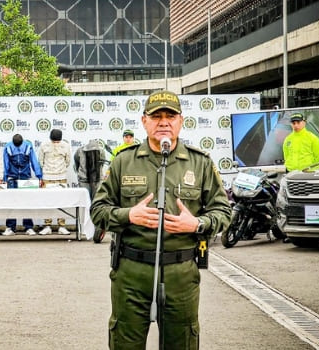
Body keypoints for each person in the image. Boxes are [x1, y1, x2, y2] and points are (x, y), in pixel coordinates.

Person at [90, 90, 231, 350]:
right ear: (144, 121)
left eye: (170, 115)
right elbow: (98, 210)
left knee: (182, 344)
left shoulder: (199, 163)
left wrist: (198, 224)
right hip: (131, 273)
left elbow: (223, 212)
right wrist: (128, 215)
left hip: (181, 274)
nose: (164, 122)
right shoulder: (124, 161)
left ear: (181, 121)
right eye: (156, 116)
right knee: (125, 344)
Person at [3, 134, 43, 235]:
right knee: (11, 203)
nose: (17, 148)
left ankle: (28, 227)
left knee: (27, 202)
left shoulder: (28, 146)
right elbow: (6, 162)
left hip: (25, 178)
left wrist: (39, 176)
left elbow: (34, 161)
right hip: (13, 178)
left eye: (18, 146)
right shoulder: (8, 147)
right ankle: (10, 227)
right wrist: (5, 178)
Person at [38, 129, 71, 235]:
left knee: (62, 201)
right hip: (47, 177)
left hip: (61, 176)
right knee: (47, 201)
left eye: (58, 142)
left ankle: (62, 226)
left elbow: (68, 161)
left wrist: (60, 170)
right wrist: (48, 171)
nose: (56, 143)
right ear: (50, 139)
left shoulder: (66, 145)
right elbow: (41, 161)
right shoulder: (44, 145)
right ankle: (47, 225)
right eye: (54, 142)